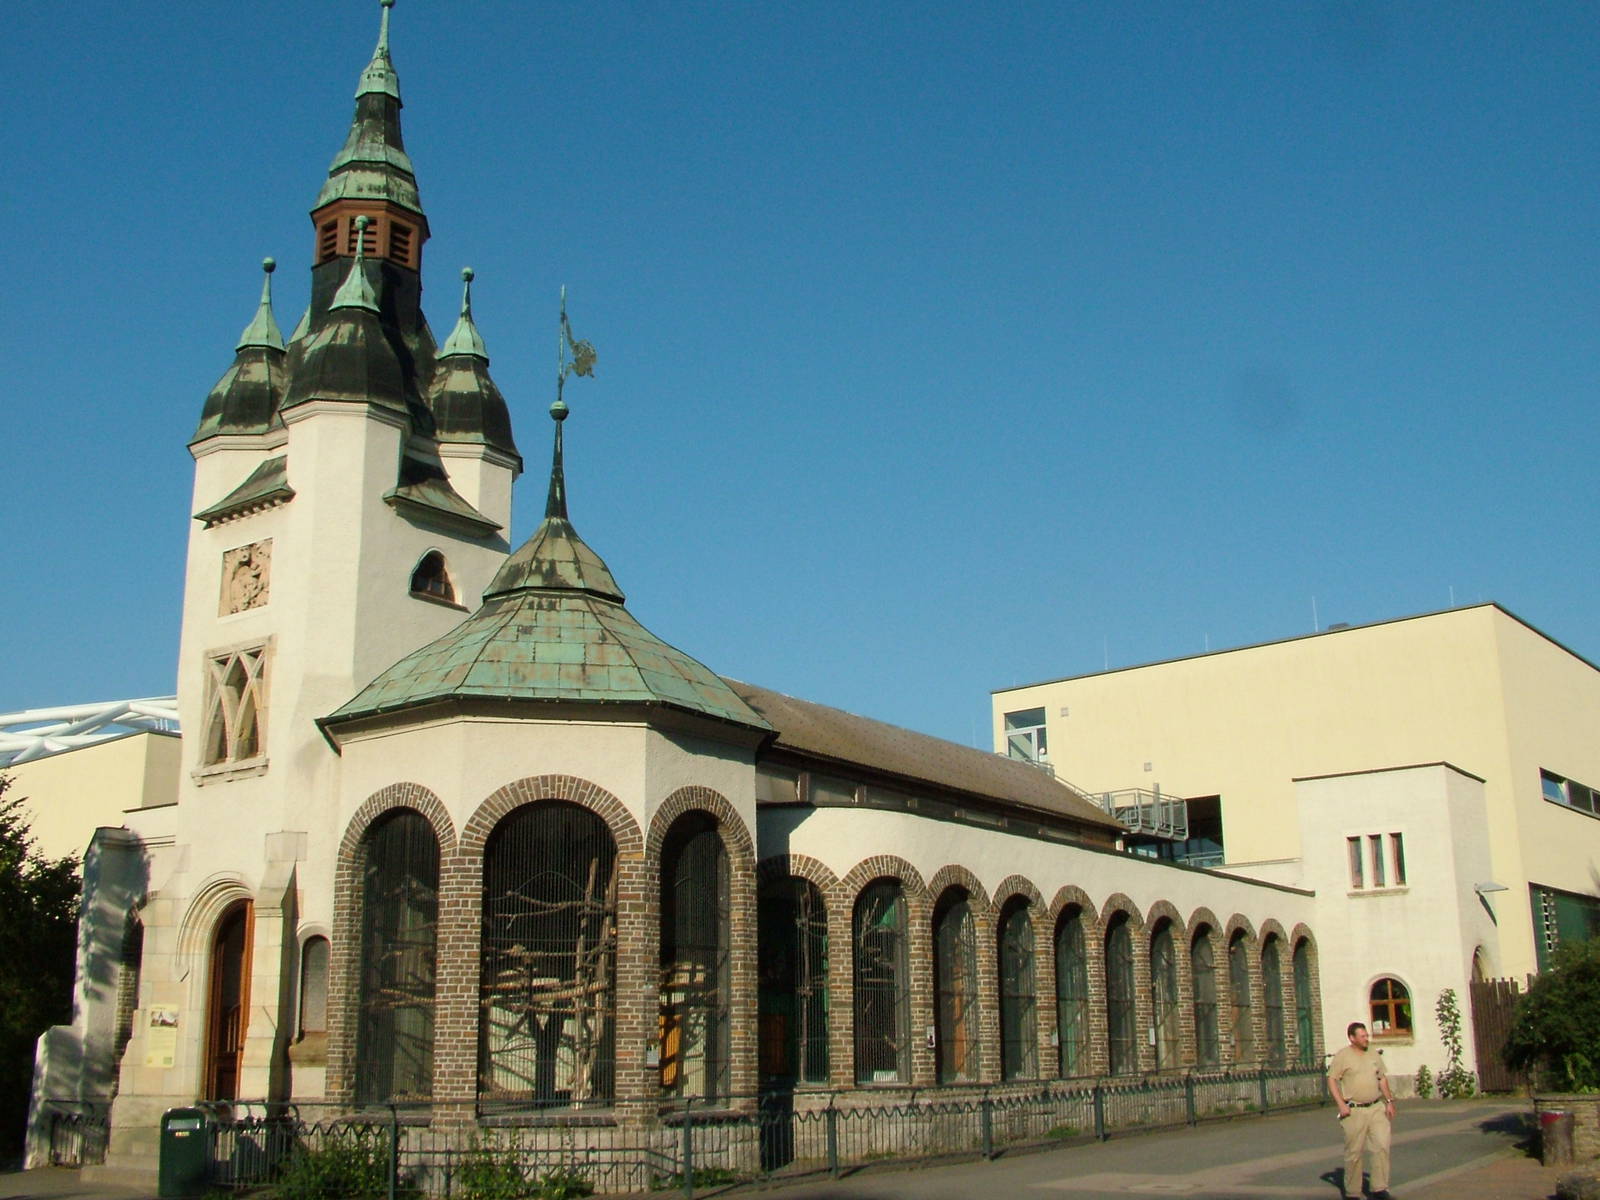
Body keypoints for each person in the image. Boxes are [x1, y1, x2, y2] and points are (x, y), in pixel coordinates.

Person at [1327, 1021, 1397, 1199]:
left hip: (1375, 1107)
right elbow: (1332, 1079)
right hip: (1354, 1110)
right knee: (1354, 1153)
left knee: (1381, 1146)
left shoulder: (1372, 1053)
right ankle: (1353, 1192)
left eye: (1367, 1035)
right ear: (1352, 1038)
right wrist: (1341, 1104)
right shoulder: (1343, 1056)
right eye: (1363, 1036)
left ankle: (1379, 1188)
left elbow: (1381, 1078)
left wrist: (1389, 1101)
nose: (1367, 1039)